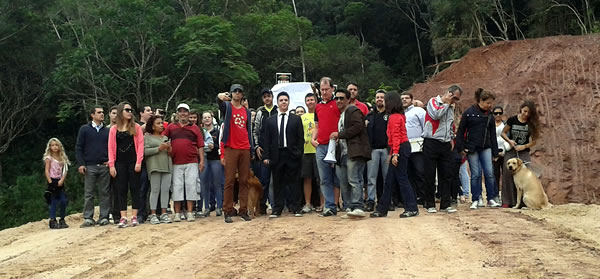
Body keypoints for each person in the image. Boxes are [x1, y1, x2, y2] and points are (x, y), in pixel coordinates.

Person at [370, 91, 419, 218]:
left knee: (401, 179)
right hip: (401, 148)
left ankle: (411, 207)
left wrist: (395, 154)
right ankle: (382, 209)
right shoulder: (398, 116)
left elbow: (396, 137)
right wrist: (392, 153)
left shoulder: (394, 117)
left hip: (400, 148)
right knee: (390, 180)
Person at [456, 88, 501, 209]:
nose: (490, 105)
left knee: (489, 173)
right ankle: (476, 198)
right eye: (488, 103)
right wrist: (461, 147)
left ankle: (491, 198)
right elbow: (461, 131)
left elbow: (493, 135)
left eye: (491, 103)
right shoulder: (469, 113)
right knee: (475, 174)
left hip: (486, 147)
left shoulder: (490, 115)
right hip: (472, 148)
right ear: (481, 100)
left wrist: (495, 152)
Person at [262, 92, 304, 218]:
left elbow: (300, 138)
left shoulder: (296, 119)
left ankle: (296, 207)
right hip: (277, 155)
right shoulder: (270, 120)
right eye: (281, 100)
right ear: (277, 102)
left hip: (292, 154)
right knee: (277, 182)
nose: (284, 102)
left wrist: (299, 152)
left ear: (289, 102)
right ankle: (277, 209)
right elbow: (267, 140)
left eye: (286, 100)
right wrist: (266, 156)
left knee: (295, 182)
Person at [330, 88, 371, 218]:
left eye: (342, 98)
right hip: (343, 153)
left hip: (355, 151)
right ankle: (349, 207)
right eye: (336, 98)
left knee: (354, 179)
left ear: (348, 99)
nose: (338, 101)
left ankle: (358, 206)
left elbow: (358, 127)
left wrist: (340, 135)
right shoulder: (342, 115)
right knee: (344, 182)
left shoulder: (353, 110)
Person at [422, 85, 462, 213]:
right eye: (454, 98)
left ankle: (445, 203)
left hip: (445, 143)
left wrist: (451, 139)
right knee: (429, 174)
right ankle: (430, 204)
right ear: (449, 93)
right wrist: (446, 103)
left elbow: (450, 123)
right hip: (431, 141)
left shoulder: (451, 107)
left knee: (446, 174)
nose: (455, 101)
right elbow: (436, 115)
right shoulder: (433, 101)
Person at [217, 84, 254, 223]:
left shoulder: (247, 111)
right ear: (231, 93)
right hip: (230, 147)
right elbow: (220, 104)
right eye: (235, 91)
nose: (237, 93)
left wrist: (251, 148)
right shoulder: (227, 107)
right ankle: (227, 210)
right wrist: (219, 98)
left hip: (244, 147)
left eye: (240, 91)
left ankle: (243, 210)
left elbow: (248, 130)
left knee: (244, 180)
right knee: (229, 180)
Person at [164, 103, 205, 222]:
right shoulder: (171, 127)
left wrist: (201, 160)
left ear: (188, 113)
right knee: (177, 187)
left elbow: (201, 145)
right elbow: (163, 140)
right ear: (177, 114)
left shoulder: (194, 128)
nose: (183, 113)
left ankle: (190, 212)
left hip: (192, 161)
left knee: (191, 186)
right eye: (180, 111)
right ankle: (177, 213)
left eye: (185, 111)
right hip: (175, 162)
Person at [108, 102, 144, 228]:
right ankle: (123, 216)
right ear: (120, 112)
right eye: (127, 110)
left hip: (133, 161)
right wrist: (111, 165)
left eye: (131, 110)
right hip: (119, 162)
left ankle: (134, 216)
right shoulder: (113, 129)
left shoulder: (136, 127)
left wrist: (139, 162)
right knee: (120, 189)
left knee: (134, 188)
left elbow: (140, 146)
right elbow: (111, 148)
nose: (129, 112)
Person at [75, 106, 111, 227]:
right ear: (92, 115)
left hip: (104, 166)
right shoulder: (84, 129)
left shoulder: (107, 130)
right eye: (99, 112)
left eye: (103, 112)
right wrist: (81, 164)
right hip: (89, 166)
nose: (102, 114)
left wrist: (110, 161)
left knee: (105, 192)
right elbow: (79, 147)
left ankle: (104, 217)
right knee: (89, 193)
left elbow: (112, 147)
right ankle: (88, 217)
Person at [501, 100, 540, 208]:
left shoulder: (531, 123)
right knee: (508, 175)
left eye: (528, 113)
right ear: (521, 109)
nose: (526, 114)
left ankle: (523, 202)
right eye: (524, 111)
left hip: (523, 153)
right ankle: (507, 201)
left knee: (524, 177)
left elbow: (534, 140)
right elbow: (503, 133)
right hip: (511, 150)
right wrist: (510, 141)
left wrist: (524, 146)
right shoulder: (512, 120)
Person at [312, 77, 341, 217]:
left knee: (338, 176)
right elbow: (316, 125)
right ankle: (329, 206)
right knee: (324, 178)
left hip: (336, 145)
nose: (324, 92)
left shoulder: (337, 104)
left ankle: (341, 203)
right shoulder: (317, 107)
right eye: (322, 90)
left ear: (332, 89)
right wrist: (313, 138)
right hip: (321, 145)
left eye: (326, 90)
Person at [144, 115, 173, 224]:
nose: (161, 125)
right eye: (158, 123)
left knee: (165, 190)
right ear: (152, 126)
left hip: (167, 167)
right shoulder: (147, 138)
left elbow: (171, 154)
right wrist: (158, 149)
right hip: (154, 167)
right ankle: (153, 214)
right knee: (155, 190)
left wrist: (169, 148)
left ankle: (164, 213)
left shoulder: (165, 138)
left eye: (162, 123)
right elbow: (145, 152)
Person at [253, 88, 278, 214]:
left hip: (277, 150)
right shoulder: (260, 112)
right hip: (263, 150)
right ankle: (261, 206)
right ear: (262, 99)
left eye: (269, 96)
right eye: (265, 97)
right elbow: (255, 131)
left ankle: (277, 205)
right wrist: (256, 146)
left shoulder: (277, 110)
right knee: (264, 180)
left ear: (272, 97)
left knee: (277, 180)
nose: (267, 98)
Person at [401, 92, 427, 206]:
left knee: (420, 171)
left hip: (418, 146)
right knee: (408, 173)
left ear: (412, 99)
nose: (404, 100)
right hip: (405, 146)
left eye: (407, 98)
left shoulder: (419, 111)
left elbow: (425, 127)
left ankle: (423, 196)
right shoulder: (399, 113)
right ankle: (412, 197)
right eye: (402, 98)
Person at [366, 89, 388, 211]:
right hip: (373, 150)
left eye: (382, 97)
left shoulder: (389, 115)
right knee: (371, 178)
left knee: (386, 177)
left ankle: (386, 200)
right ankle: (370, 201)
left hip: (386, 150)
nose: (379, 99)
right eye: (377, 97)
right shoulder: (369, 116)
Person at [300, 93, 322, 213]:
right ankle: (307, 204)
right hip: (306, 151)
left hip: (319, 149)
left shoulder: (320, 115)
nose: (310, 102)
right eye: (308, 100)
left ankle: (323, 203)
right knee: (307, 178)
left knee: (321, 178)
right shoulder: (302, 117)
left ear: (316, 101)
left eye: (312, 100)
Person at [200, 111, 224, 217]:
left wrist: (214, 146)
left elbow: (221, 145)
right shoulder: (200, 132)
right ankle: (207, 207)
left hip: (215, 159)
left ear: (212, 118)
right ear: (202, 120)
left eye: (208, 117)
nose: (206, 119)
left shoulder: (217, 131)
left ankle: (219, 206)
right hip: (204, 160)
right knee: (205, 184)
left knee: (217, 183)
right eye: (204, 117)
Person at [44, 138, 70, 229]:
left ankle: (62, 219)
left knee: (63, 201)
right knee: (53, 201)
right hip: (52, 180)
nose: (54, 147)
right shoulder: (49, 158)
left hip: (60, 181)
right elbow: (47, 171)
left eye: (56, 145)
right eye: (52, 145)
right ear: (50, 147)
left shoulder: (62, 158)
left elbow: (65, 170)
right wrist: (50, 183)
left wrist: (62, 180)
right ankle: (52, 220)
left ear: (59, 146)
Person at [492, 106, 506, 200]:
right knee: (495, 174)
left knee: (505, 174)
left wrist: (504, 152)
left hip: (504, 152)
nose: (498, 115)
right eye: (496, 113)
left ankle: (505, 197)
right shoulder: (490, 124)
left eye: (500, 113)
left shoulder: (505, 125)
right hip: (494, 153)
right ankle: (495, 195)